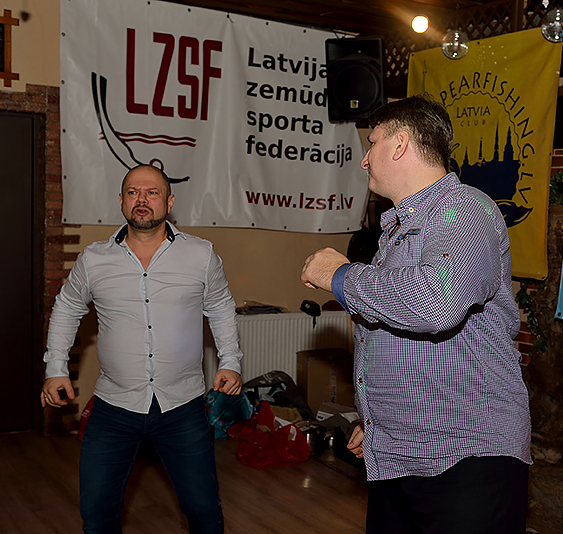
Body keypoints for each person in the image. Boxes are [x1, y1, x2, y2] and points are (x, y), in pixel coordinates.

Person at [300, 95, 532, 534]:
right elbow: (396, 332)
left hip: (466, 459)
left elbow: (433, 303)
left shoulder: (465, 209)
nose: (365, 159)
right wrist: (381, 425)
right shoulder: (398, 231)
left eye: (373, 143)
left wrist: (340, 275)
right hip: (400, 456)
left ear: (401, 143)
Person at [41, 164, 243, 534]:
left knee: (202, 510)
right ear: (121, 201)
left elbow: (220, 307)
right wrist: (55, 369)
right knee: (97, 513)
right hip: (113, 407)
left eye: (152, 192)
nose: (142, 200)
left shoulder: (200, 255)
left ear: (169, 201)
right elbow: (66, 309)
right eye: (133, 192)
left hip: (182, 407)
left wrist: (230, 361)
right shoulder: (94, 259)